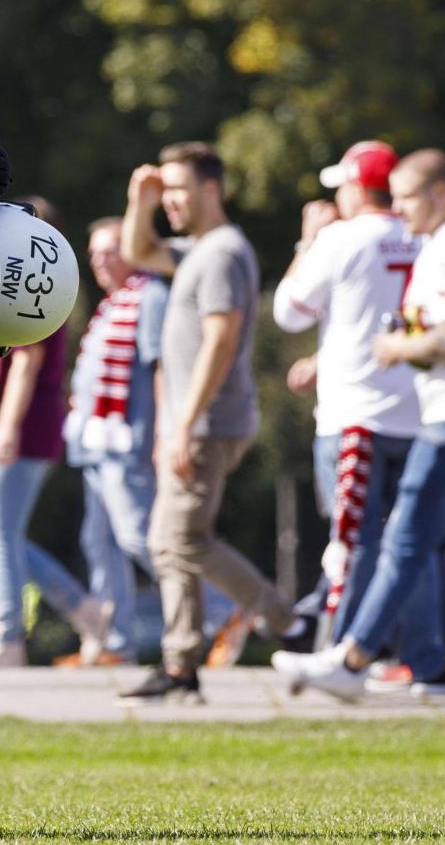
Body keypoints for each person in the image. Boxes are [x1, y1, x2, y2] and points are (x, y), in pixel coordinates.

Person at [273, 149, 445, 709]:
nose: (397, 209)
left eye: (406, 197)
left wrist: (394, 347)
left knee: (403, 540)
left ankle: (352, 660)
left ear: (440, 194)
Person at [270, 142, 445, 688]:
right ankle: (424, 657)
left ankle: (341, 654)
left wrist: (307, 241)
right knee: (410, 541)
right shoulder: (429, 236)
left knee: (353, 540)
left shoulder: (340, 238)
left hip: (356, 412)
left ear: (356, 186)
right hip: (419, 409)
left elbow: (288, 311)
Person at [116, 142, 293, 703]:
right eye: (164, 190)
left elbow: (220, 339)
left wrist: (184, 424)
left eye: (177, 190)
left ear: (210, 190)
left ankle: (285, 620)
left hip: (208, 422)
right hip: (191, 420)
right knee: (169, 543)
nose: (169, 200)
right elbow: (138, 251)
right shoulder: (197, 251)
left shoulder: (221, 254)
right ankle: (181, 663)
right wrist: (138, 202)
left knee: (180, 539)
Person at [0, 201, 108, 673]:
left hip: (23, 426)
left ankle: (8, 637)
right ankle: (86, 611)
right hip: (23, 426)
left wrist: (6, 428)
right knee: (6, 536)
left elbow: (26, 362)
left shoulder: (39, 283)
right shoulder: (24, 283)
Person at [62, 216, 167, 666]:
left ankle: (220, 612)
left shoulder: (150, 296)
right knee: (100, 542)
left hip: (128, 442)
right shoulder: (114, 303)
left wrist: (163, 432)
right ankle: (116, 641)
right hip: (96, 445)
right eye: (94, 252)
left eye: (109, 250)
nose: (98, 260)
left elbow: (162, 367)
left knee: (140, 535)